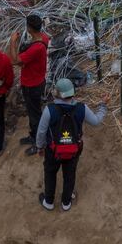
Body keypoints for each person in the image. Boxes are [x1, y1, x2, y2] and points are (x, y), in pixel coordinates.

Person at [36, 78, 105, 211]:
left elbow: (41, 132)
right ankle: (66, 202)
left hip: (53, 150)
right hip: (74, 150)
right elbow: (96, 121)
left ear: (57, 93)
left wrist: (40, 147)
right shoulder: (81, 108)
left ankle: (48, 201)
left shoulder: (49, 110)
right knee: (69, 174)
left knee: (50, 173)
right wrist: (103, 106)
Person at [12, 15, 49, 155]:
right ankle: (33, 135)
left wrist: (13, 42)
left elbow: (15, 61)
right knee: (34, 112)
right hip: (37, 81)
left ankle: (39, 143)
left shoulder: (35, 48)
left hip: (32, 85)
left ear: (28, 28)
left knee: (35, 115)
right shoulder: (43, 38)